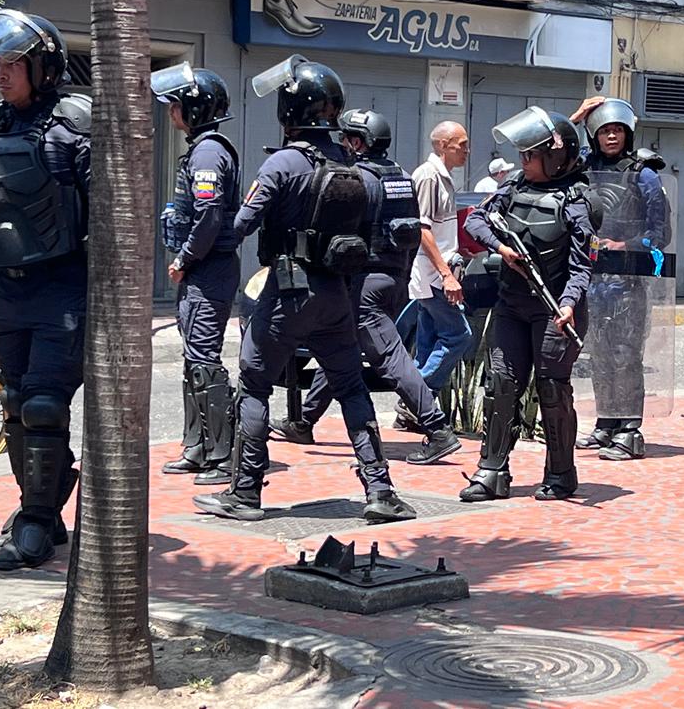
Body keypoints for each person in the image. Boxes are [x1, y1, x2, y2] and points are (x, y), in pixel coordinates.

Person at [192, 55, 415, 524]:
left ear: (289, 110)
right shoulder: (355, 167)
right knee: (352, 387)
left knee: (253, 384)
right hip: (338, 294)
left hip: (287, 292)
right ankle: (380, 490)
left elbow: (241, 224)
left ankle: (245, 493)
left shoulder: (283, 163)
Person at [0, 10, 89, 570]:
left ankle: (33, 522)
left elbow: (108, 208)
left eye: (14, 63)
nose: (3, 74)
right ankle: (44, 510)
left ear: (43, 67)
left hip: (62, 289)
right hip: (7, 290)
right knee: (15, 405)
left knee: (43, 405)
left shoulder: (75, 125)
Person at [274, 108, 462, 465]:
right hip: (393, 280)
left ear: (358, 142)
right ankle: (305, 421)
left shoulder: (355, 179)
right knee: (338, 346)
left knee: (391, 359)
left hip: (363, 283)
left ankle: (438, 430)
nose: (341, 144)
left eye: (345, 138)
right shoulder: (401, 177)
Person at [460, 107, 599, 502]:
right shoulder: (514, 188)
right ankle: (491, 472)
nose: (522, 161)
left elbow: (581, 266)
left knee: (552, 389)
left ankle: (560, 473)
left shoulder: (575, 202)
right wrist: (502, 248)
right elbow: (475, 221)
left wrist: (569, 304)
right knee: (501, 384)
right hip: (511, 306)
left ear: (554, 158)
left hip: (554, 310)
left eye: (529, 155)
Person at [153, 63, 241, 486]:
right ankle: (197, 447)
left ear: (194, 107)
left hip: (210, 269)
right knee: (193, 361)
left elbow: (208, 216)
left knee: (204, 360)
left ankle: (222, 456)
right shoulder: (202, 148)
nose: (171, 114)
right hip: (202, 270)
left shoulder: (209, 152)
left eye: (175, 106)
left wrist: (184, 259)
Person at [569, 96, 670, 461]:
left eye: (617, 130)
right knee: (598, 355)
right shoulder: (585, 167)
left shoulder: (644, 173)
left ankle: (630, 430)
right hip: (592, 280)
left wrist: (623, 244)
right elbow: (555, 155)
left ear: (627, 133)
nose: (612, 136)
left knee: (626, 354)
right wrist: (578, 116)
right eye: (605, 130)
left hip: (627, 280)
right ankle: (605, 422)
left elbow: (659, 233)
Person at [405, 122, 473, 402]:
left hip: (437, 271)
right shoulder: (429, 176)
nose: (467, 151)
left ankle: (413, 407)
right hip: (432, 276)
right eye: (462, 144)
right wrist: (447, 275)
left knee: (428, 342)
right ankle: (413, 393)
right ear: (444, 145)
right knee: (459, 335)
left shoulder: (443, 176)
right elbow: (422, 229)